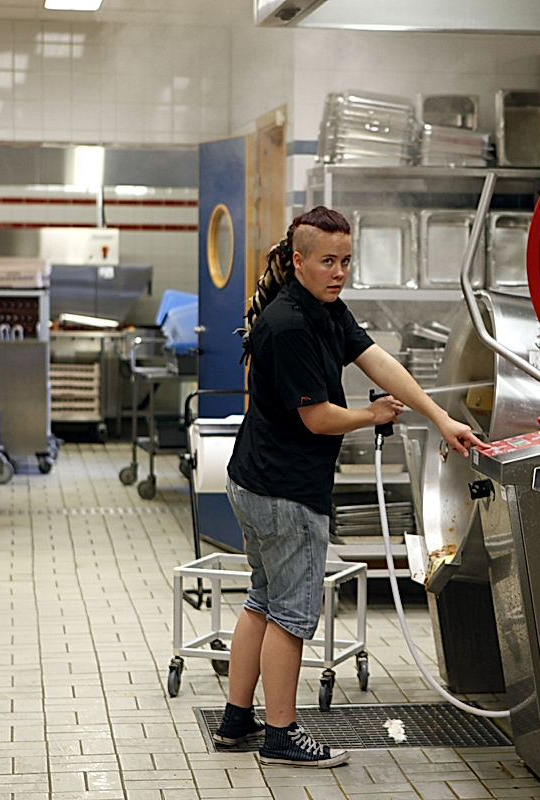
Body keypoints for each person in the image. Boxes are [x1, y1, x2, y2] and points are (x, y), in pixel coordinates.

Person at [212, 206, 485, 768]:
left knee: (262, 601)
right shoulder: (288, 326)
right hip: (283, 491)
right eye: (327, 261)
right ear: (298, 261)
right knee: (290, 612)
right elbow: (317, 419)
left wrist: (437, 416)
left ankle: (238, 720)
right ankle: (282, 735)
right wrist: (370, 416)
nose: (339, 272)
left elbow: (377, 360)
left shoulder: (324, 309)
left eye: (346, 261)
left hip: (257, 480)